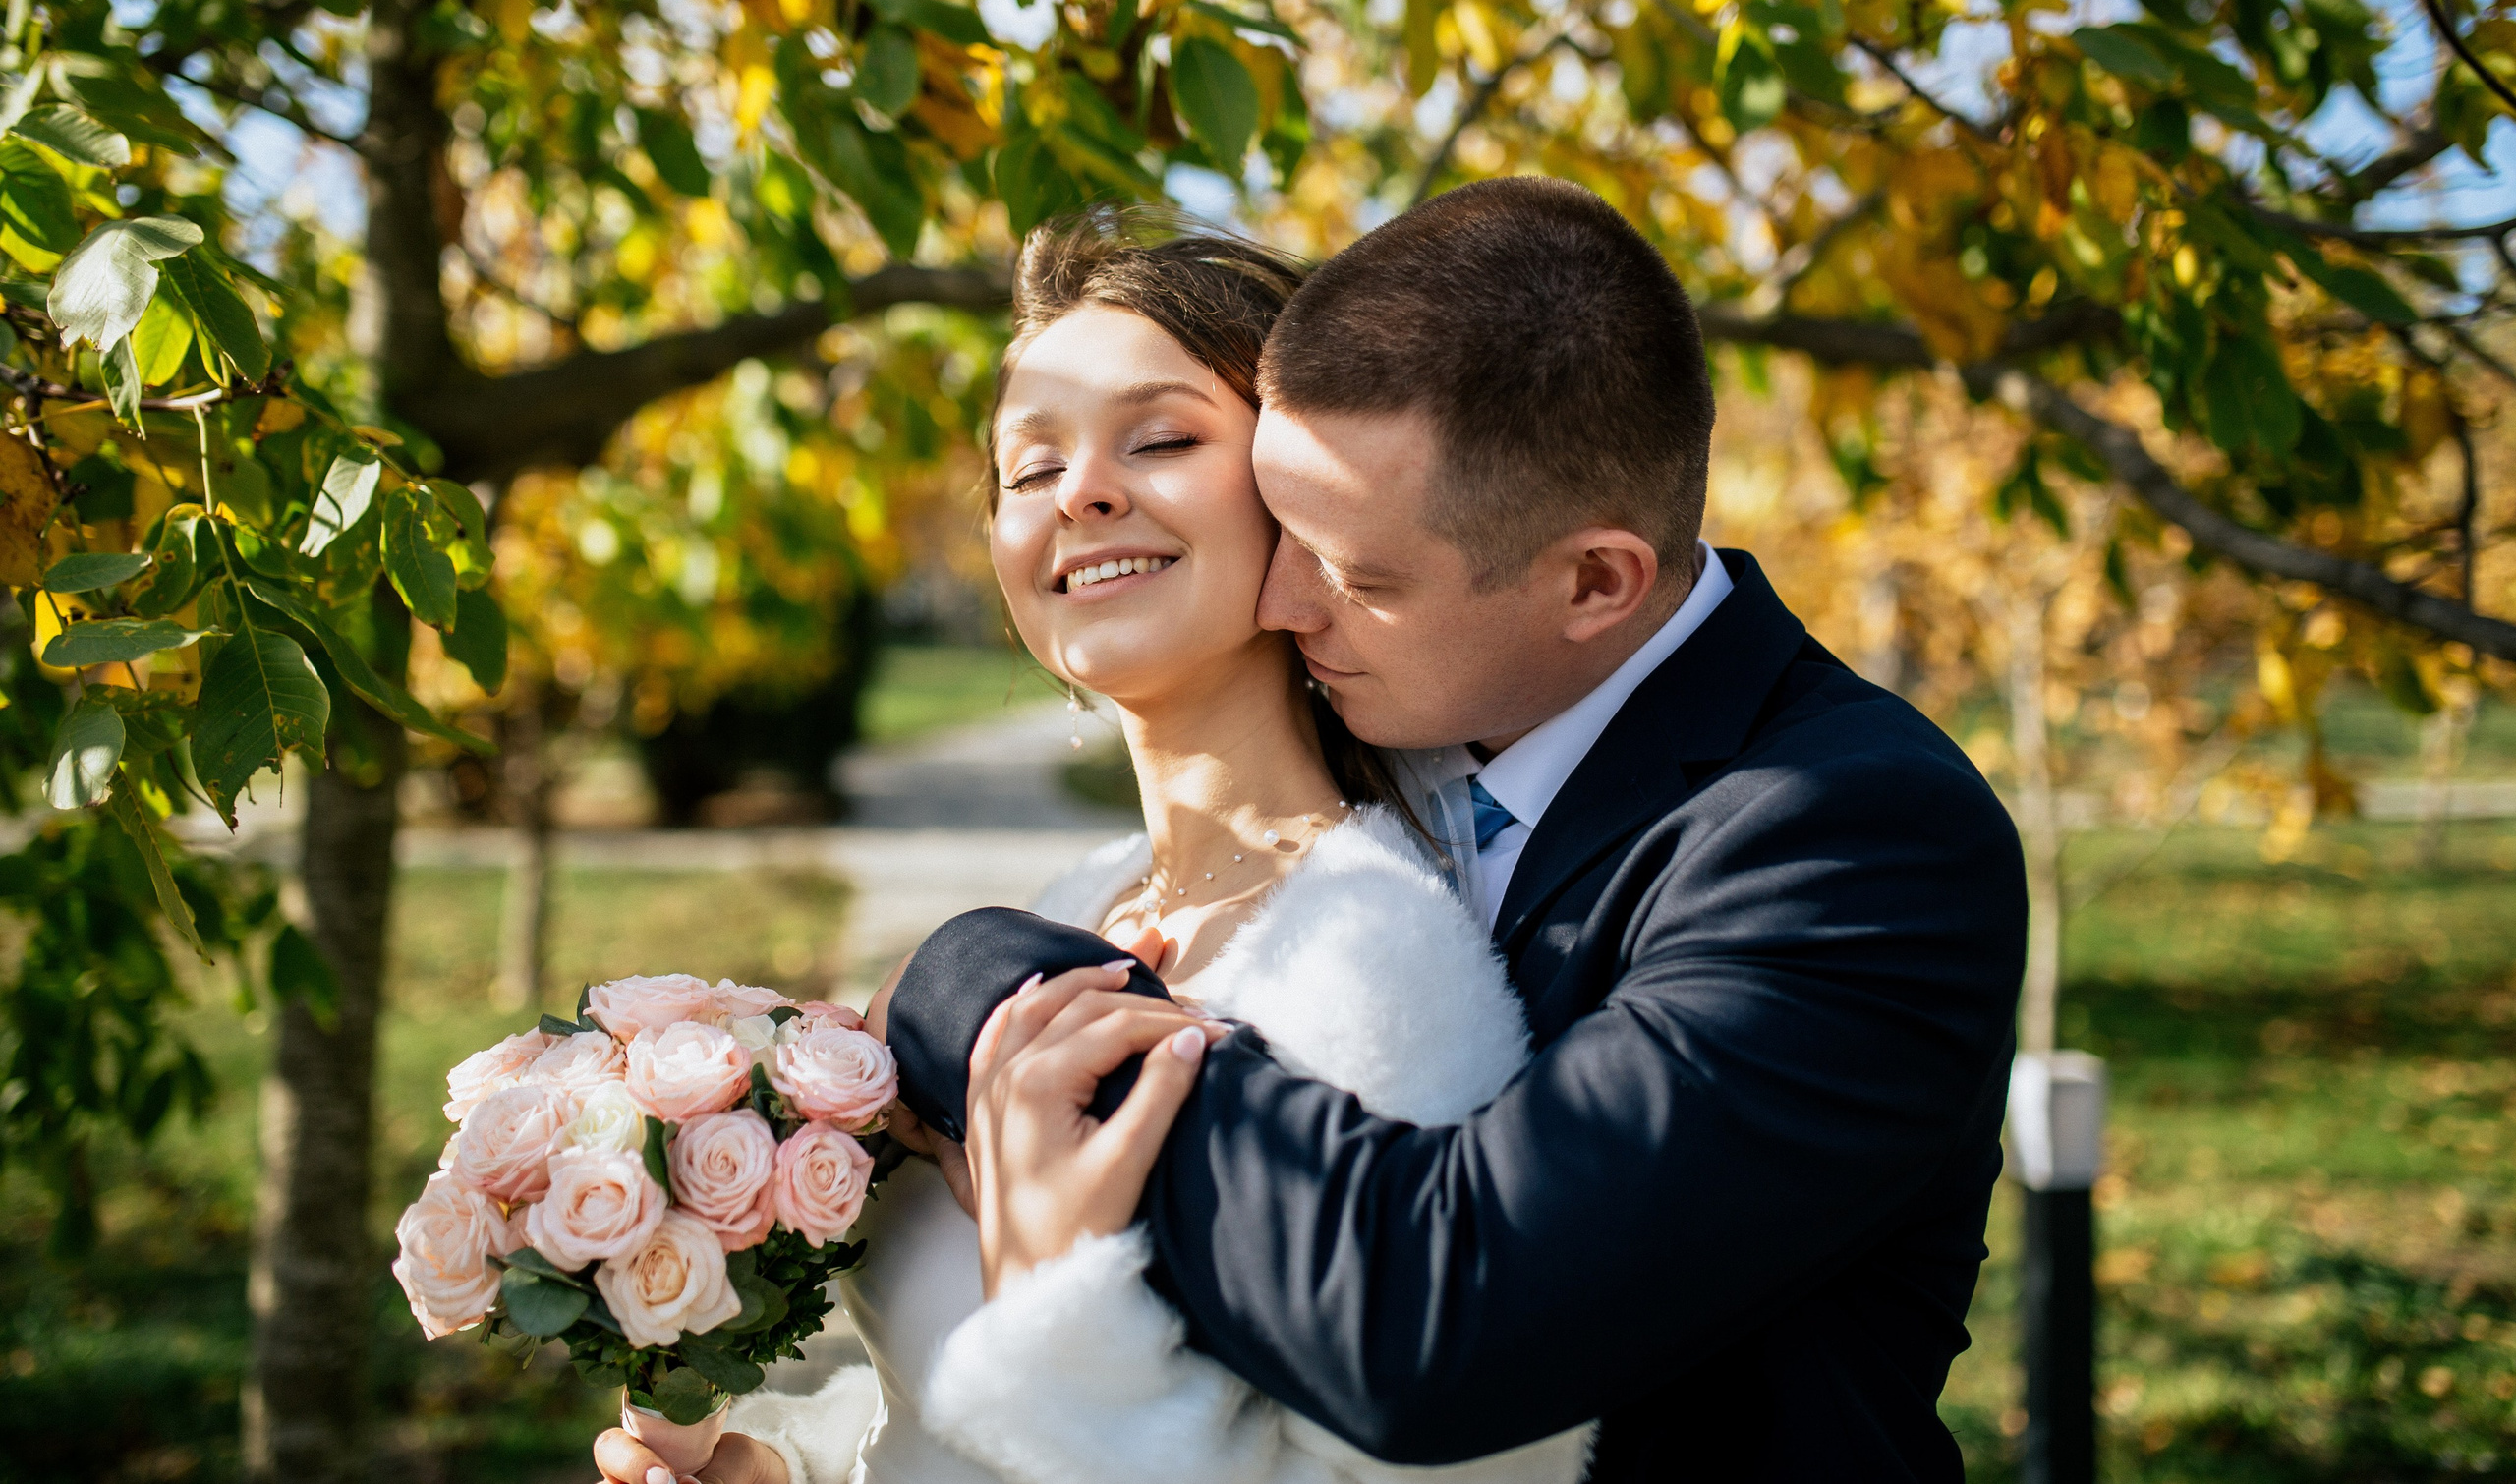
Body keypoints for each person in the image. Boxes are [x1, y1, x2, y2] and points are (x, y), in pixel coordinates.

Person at [873, 177, 2028, 1480]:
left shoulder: (1845, 837)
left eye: (1352, 566)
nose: (1292, 594)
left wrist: (980, 985)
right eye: (1028, 464)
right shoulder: (1204, 849)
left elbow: (1438, 1318)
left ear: (1595, 581)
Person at [594, 208, 1594, 1484]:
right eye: (1028, 467)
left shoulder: (1380, 966)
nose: (1083, 492)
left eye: (1164, 437)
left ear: (1309, 493)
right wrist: (778, 1466)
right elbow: (933, 1412)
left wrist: (1055, 1309)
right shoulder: (1067, 906)